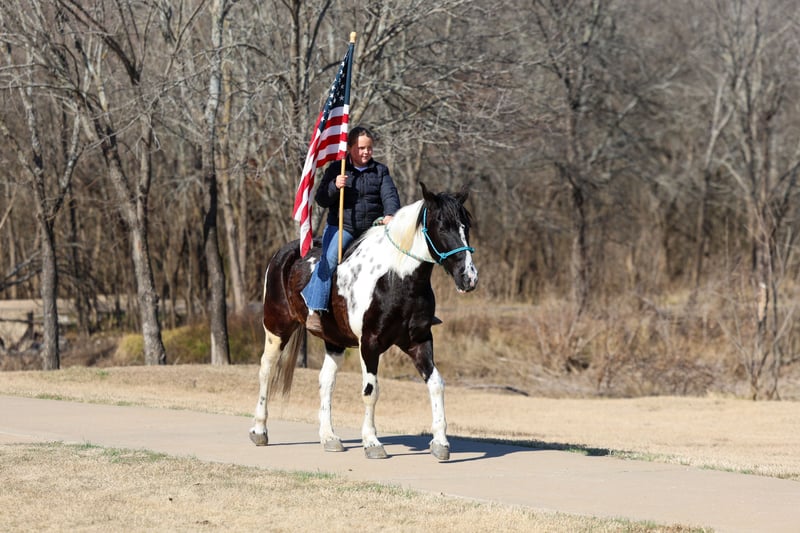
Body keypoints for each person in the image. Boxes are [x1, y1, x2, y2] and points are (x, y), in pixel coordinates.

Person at [302, 126, 401, 331]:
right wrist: (334, 186)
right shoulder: (337, 169)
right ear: (349, 148)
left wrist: (391, 214)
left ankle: (410, 310)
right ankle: (314, 309)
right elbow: (321, 199)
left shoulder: (380, 171)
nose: (366, 152)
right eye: (361, 148)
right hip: (344, 227)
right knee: (329, 259)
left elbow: (390, 195)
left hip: (372, 230)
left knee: (400, 259)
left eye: (369, 148)